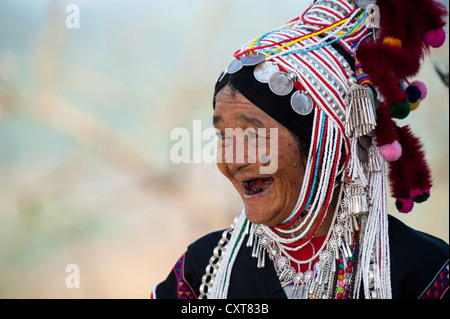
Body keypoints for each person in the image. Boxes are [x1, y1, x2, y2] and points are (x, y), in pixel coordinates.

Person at [153, 0, 449, 299]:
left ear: (329, 146)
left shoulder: (424, 273)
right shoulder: (203, 271)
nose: (232, 160)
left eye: (254, 135)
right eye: (224, 136)